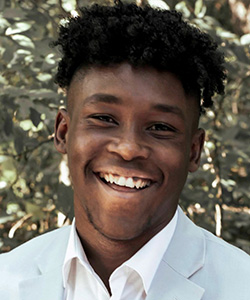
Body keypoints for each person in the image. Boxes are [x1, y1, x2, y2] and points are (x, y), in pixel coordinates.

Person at [1, 1, 250, 299]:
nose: (129, 149)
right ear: (63, 133)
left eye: (160, 127)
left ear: (193, 151)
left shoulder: (241, 285)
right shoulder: (8, 280)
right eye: (104, 119)